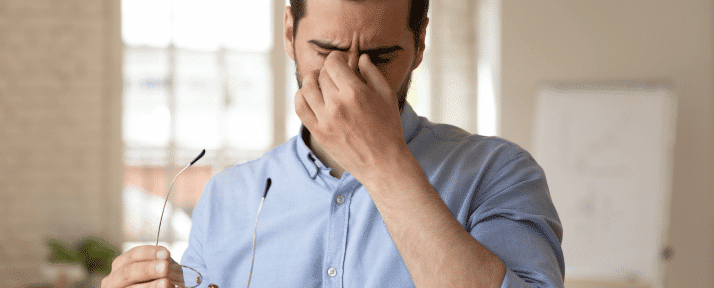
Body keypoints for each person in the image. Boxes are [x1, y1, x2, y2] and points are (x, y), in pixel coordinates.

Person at [102, 0, 565, 287]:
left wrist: (384, 162)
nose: (347, 79)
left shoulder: (498, 173)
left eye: (379, 58)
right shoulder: (228, 197)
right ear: (289, 34)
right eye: (325, 52)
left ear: (420, 41)